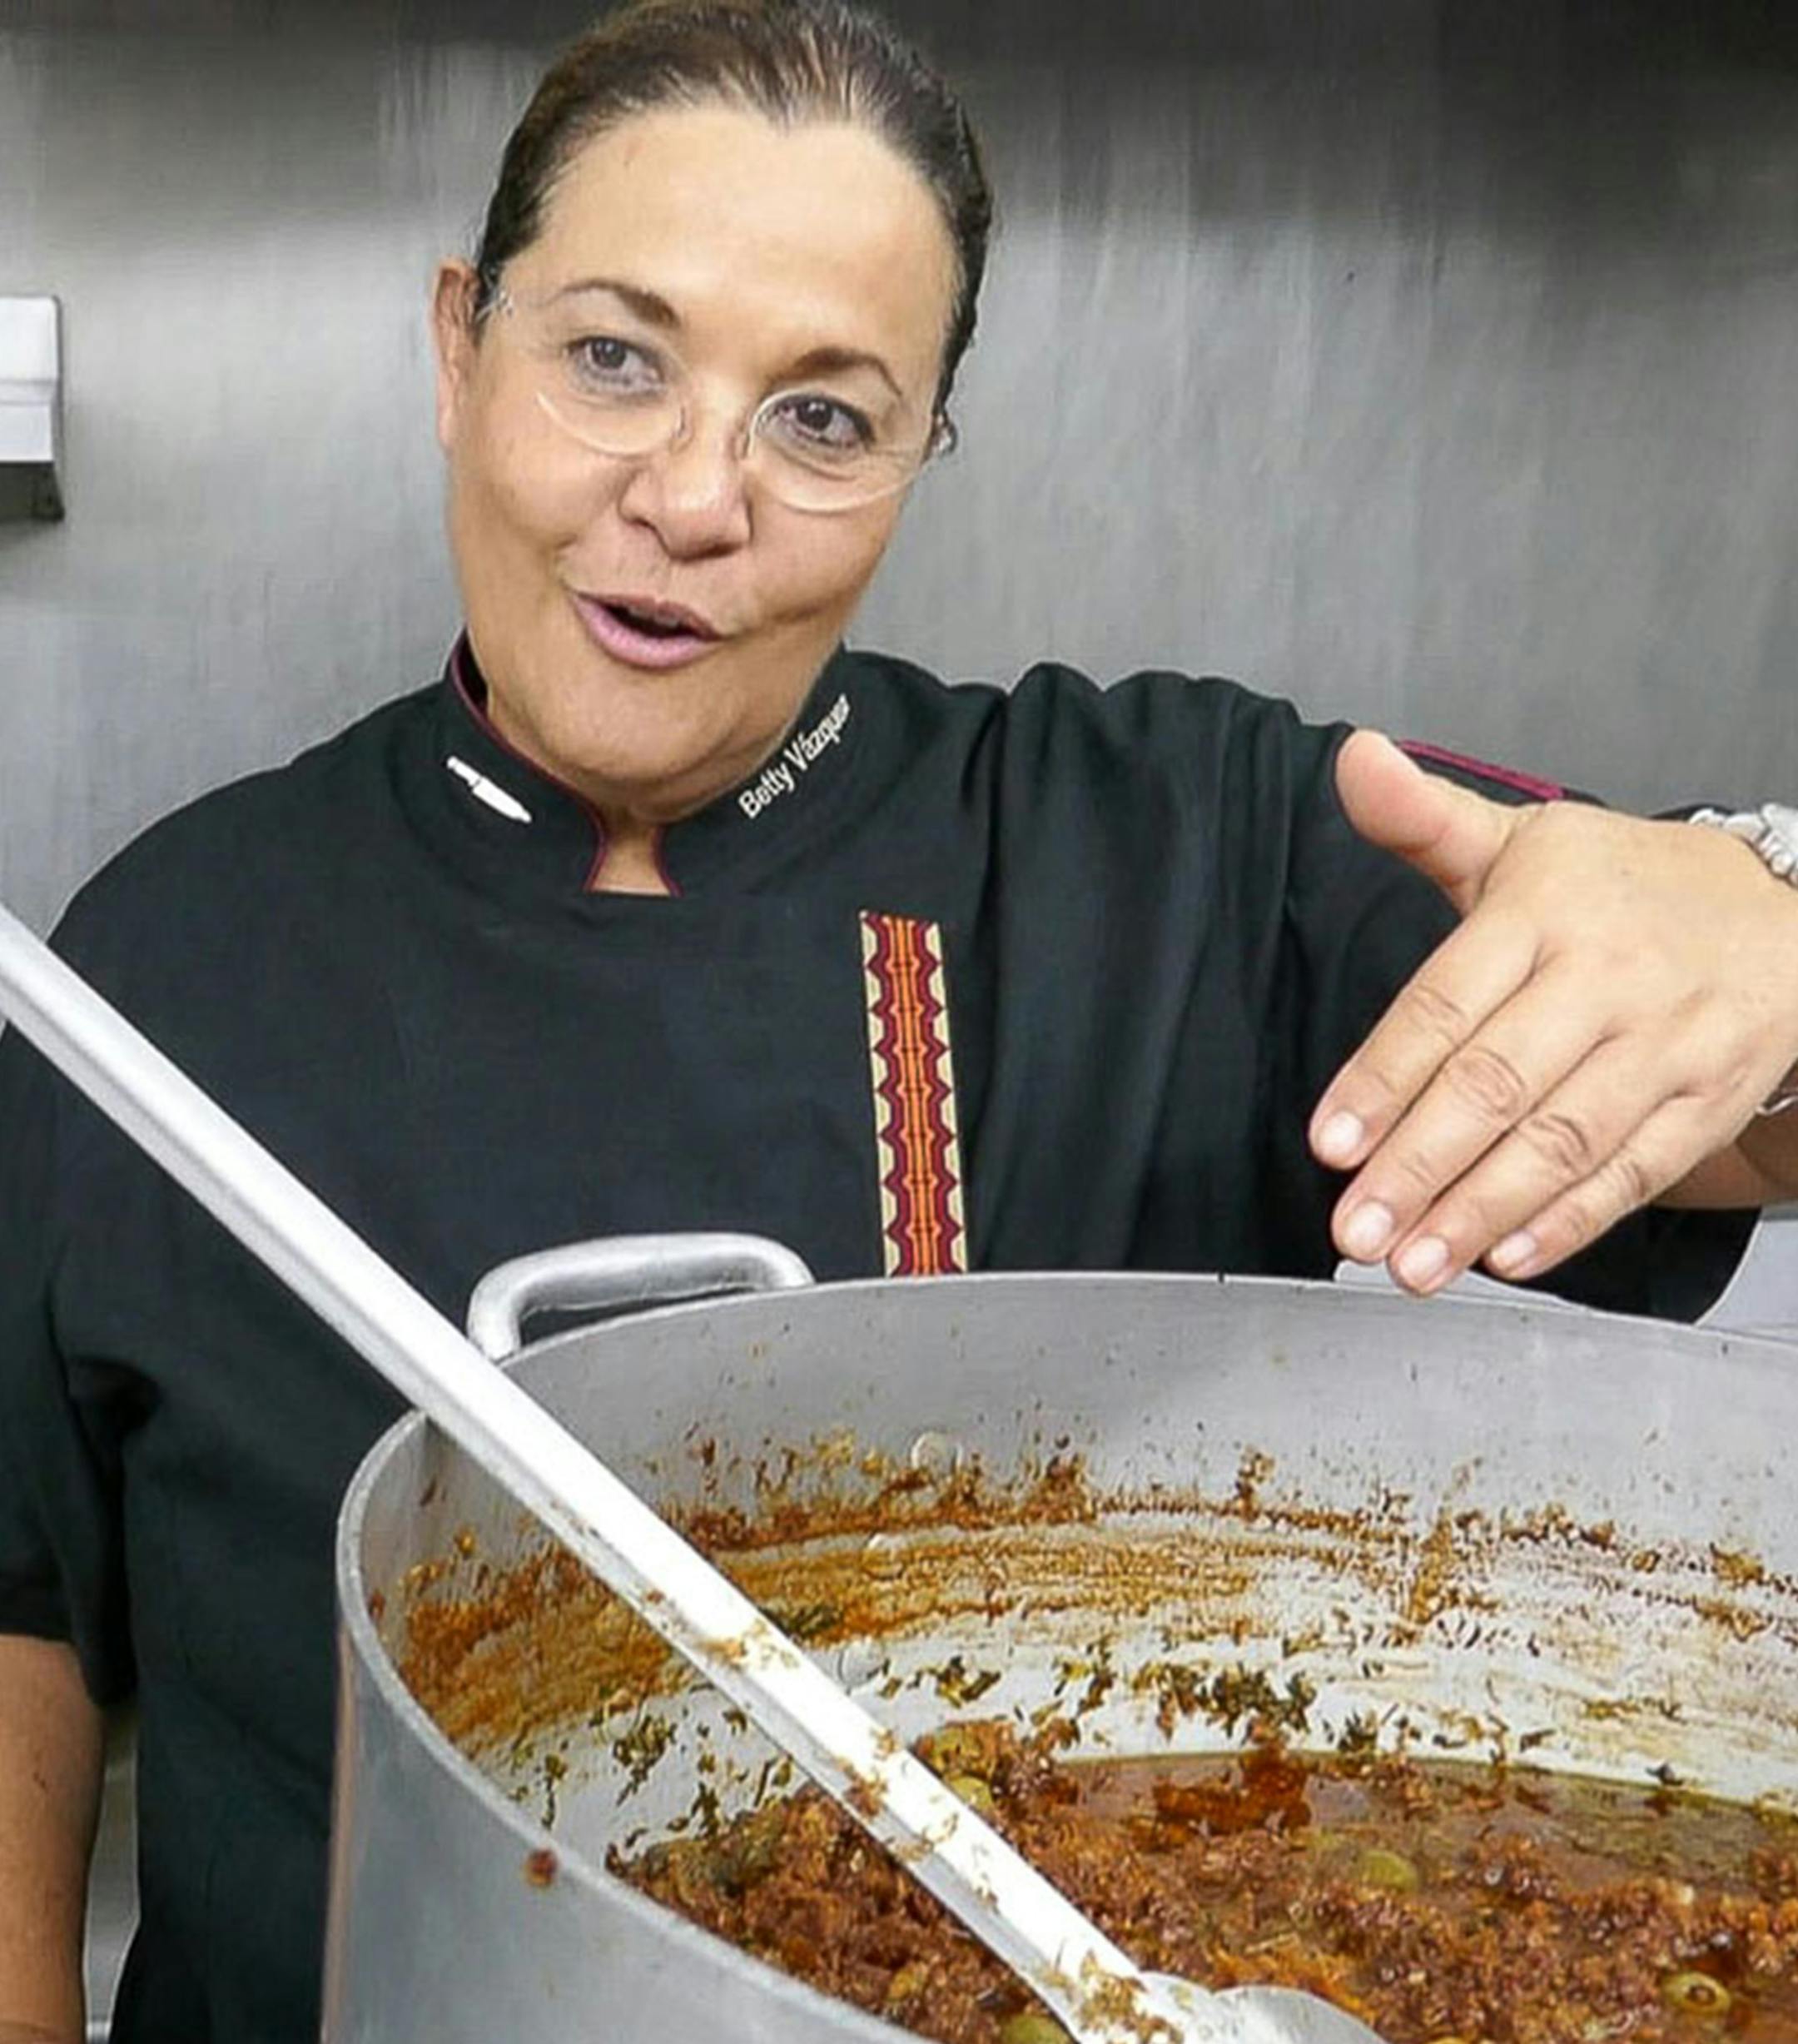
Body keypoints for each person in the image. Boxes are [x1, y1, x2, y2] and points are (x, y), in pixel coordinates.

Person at [2, 2, 1796, 2040]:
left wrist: (1759, 929)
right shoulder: (158, 961)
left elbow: (1702, 1091)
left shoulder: (1171, 853)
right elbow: (18, 1618)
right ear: (455, 346)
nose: (693, 498)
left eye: (825, 419)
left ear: (919, 454)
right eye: (613, 359)